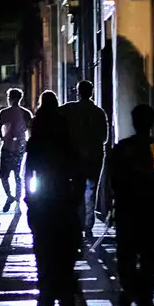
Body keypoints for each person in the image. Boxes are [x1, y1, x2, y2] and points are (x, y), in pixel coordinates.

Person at [104, 104, 154, 306]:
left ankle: (129, 289)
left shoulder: (123, 147)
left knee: (126, 250)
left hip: (127, 204)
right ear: (151, 123)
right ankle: (146, 293)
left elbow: (114, 178)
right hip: (152, 204)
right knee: (149, 251)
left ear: (134, 122)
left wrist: (112, 203)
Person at [24, 90, 83, 306]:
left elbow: (28, 172)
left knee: (43, 246)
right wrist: (77, 195)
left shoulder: (36, 141)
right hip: (63, 194)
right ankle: (65, 288)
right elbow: (77, 171)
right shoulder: (66, 139)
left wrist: (29, 196)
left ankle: (46, 291)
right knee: (66, 246)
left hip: (42, 196)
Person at [59, 80, 109, 242]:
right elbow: (104, 137)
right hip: (94, 156)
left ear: (78, 92)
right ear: (92, 92)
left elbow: (52, 113)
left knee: (76, 190)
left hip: (75, 156)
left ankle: (78, 223)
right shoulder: (99, 112)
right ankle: (88, 225)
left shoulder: (69, 109)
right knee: (92, 190)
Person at [0, 88, 33, 213]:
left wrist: (3, 138)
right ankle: (17, 201)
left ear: (9, 98)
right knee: (18, 176)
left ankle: (9, 196)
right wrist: (27, 143)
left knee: (3, 175)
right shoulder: (26, 113)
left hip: (7, 147)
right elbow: (30, 130)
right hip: (20, 148)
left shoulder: (3, 113)